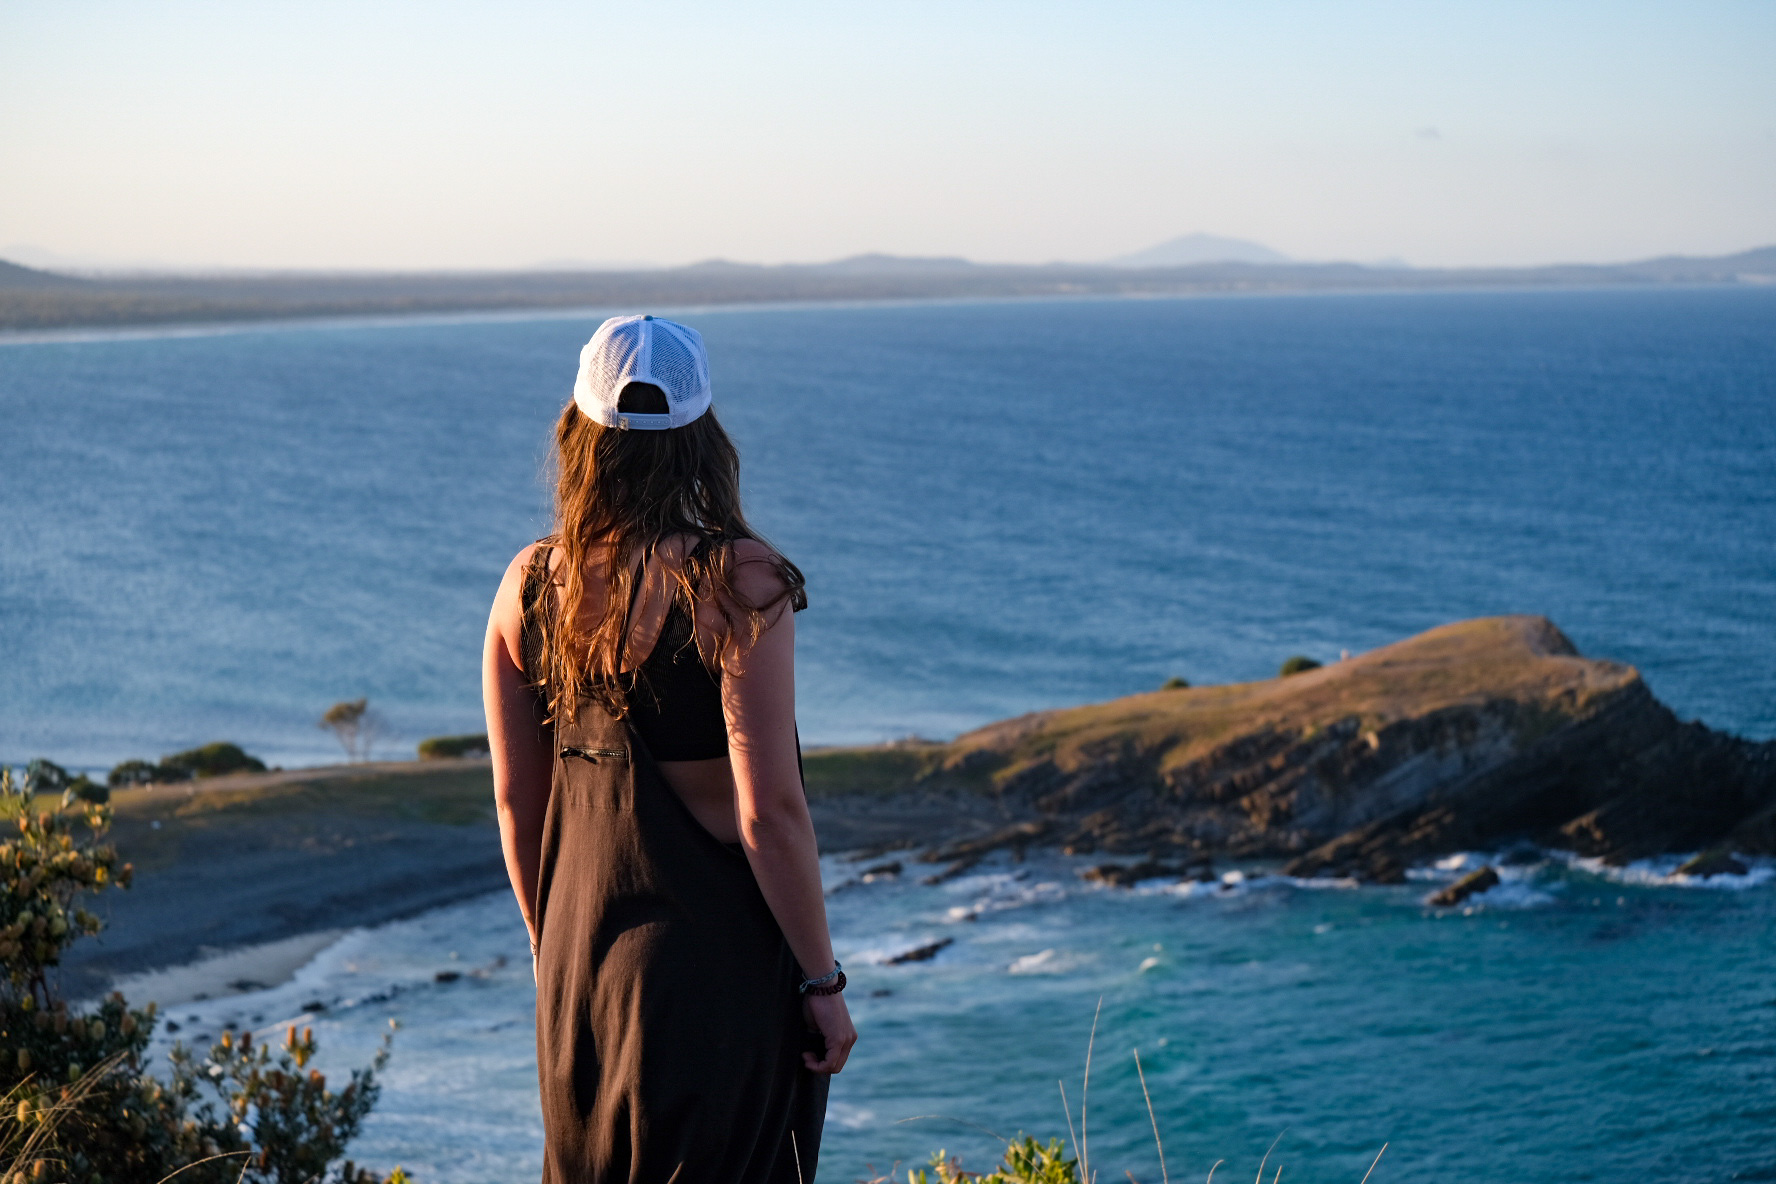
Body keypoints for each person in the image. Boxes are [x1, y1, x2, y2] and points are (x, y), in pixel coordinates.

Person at [483, 314, 855, 1183]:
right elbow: (769, 815)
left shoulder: (527, 585)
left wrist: (556, 952)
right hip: (713, 974)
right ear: (702, 433)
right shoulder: (739, 582)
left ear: (577, 431)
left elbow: (514, 803)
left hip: (578, 970)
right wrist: (823, 985)